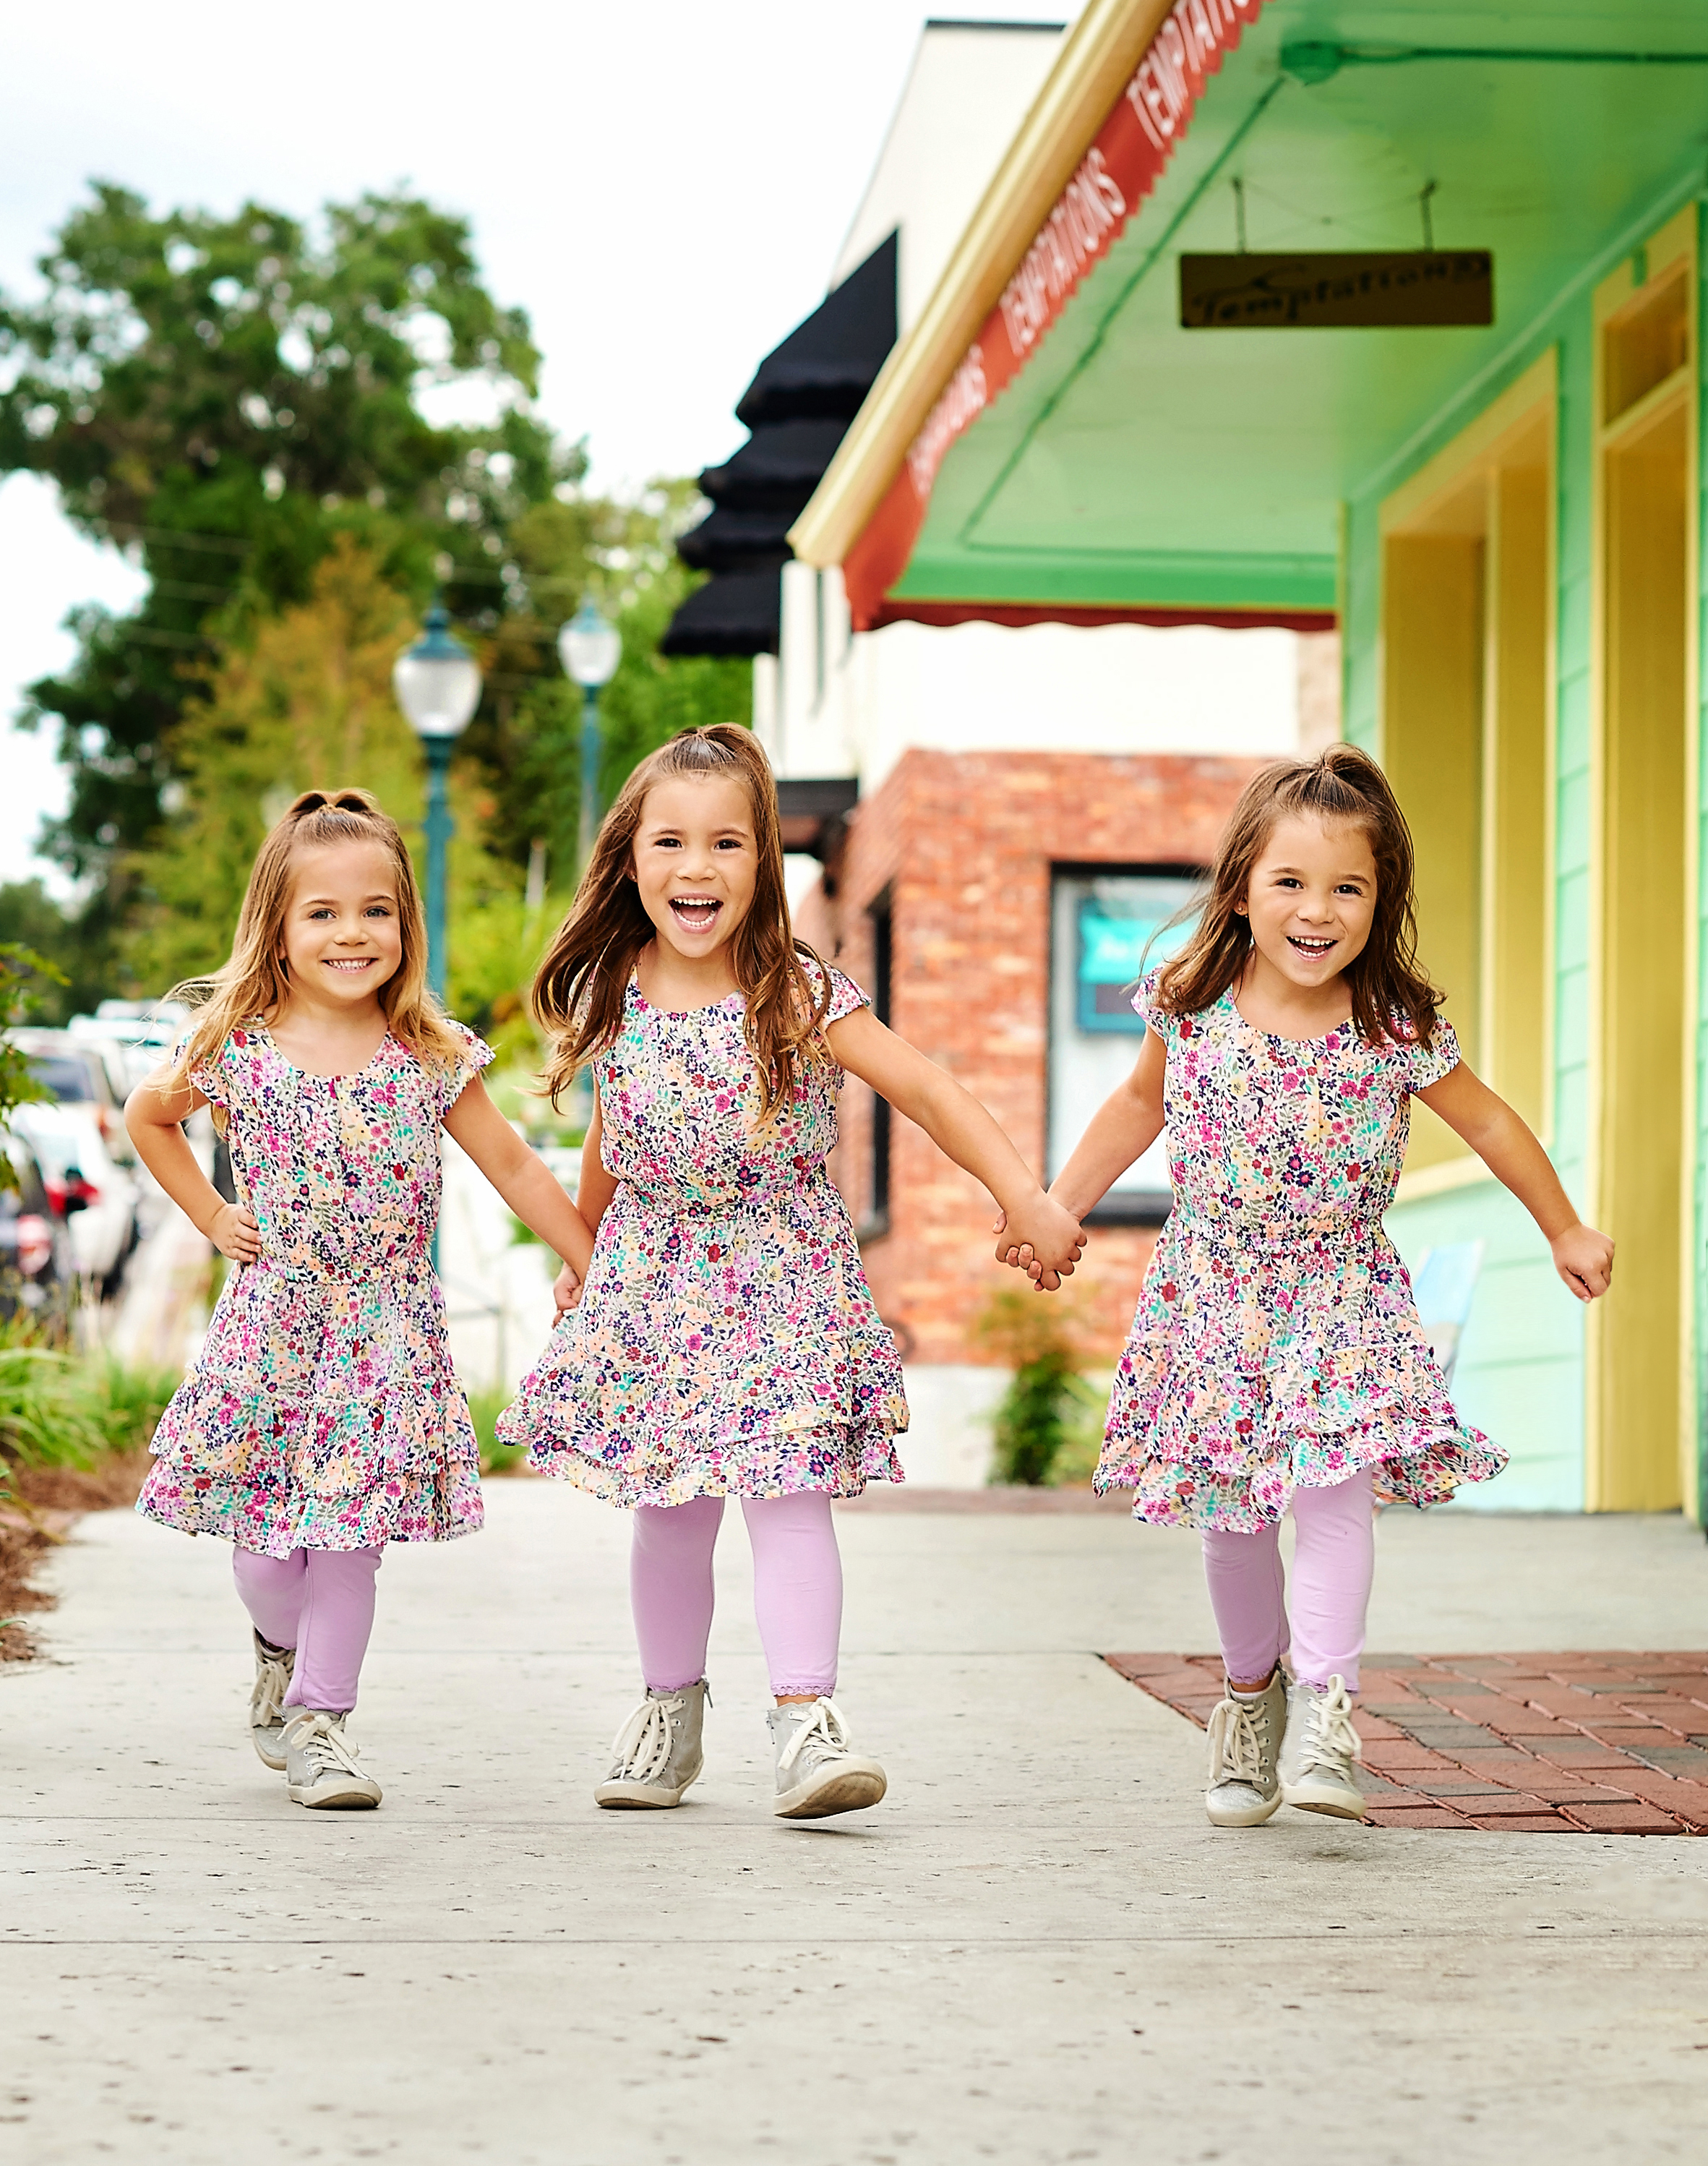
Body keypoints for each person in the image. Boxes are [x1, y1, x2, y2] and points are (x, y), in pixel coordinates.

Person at [1011, 745, 1613, 1826]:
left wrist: (1563, 1224)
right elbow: (1135, 1111)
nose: (1317, 910)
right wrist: (1062, 1205)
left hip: (1343, 1290)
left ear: (1381, 904)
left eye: (1348, 888)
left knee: (1334, 1497)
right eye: (1291, 882)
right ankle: (1251, 1697)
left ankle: (1330, 1705)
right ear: (1242, 885)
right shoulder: (1191, 1004)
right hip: (1214, 1290)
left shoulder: (1391, 1026)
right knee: (1235, 1517)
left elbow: (1488, 1122)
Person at [497, 724, 1085, 1819]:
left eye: (727, 843)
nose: (697, 868)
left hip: (785, 1280)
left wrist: (1025, 1195)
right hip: (655, 1289)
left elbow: (932, 1090)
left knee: (788, 1498)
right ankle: (668, 1715)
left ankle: (807, 1723)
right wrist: (585, 1257)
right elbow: (609, 1139)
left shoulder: (796, 991)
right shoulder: (617, 993)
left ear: (763, 862)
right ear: (631, 858)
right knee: (669, 1515)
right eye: (671, 842)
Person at [127, 789, 593, 1812]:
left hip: (387, 1333)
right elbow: (146, 1118)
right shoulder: (234, 1047)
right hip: (272, 1329)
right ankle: (276, 1646)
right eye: (324, 913)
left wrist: (590, 1259)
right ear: (280, 931)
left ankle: (323, 1724)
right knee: (264, 1550)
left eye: (376, 910)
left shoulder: (431, 1055)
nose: (353, 933)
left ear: (405, 925)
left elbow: (515, 1169)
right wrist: (211, 1216)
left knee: (349, 1538)